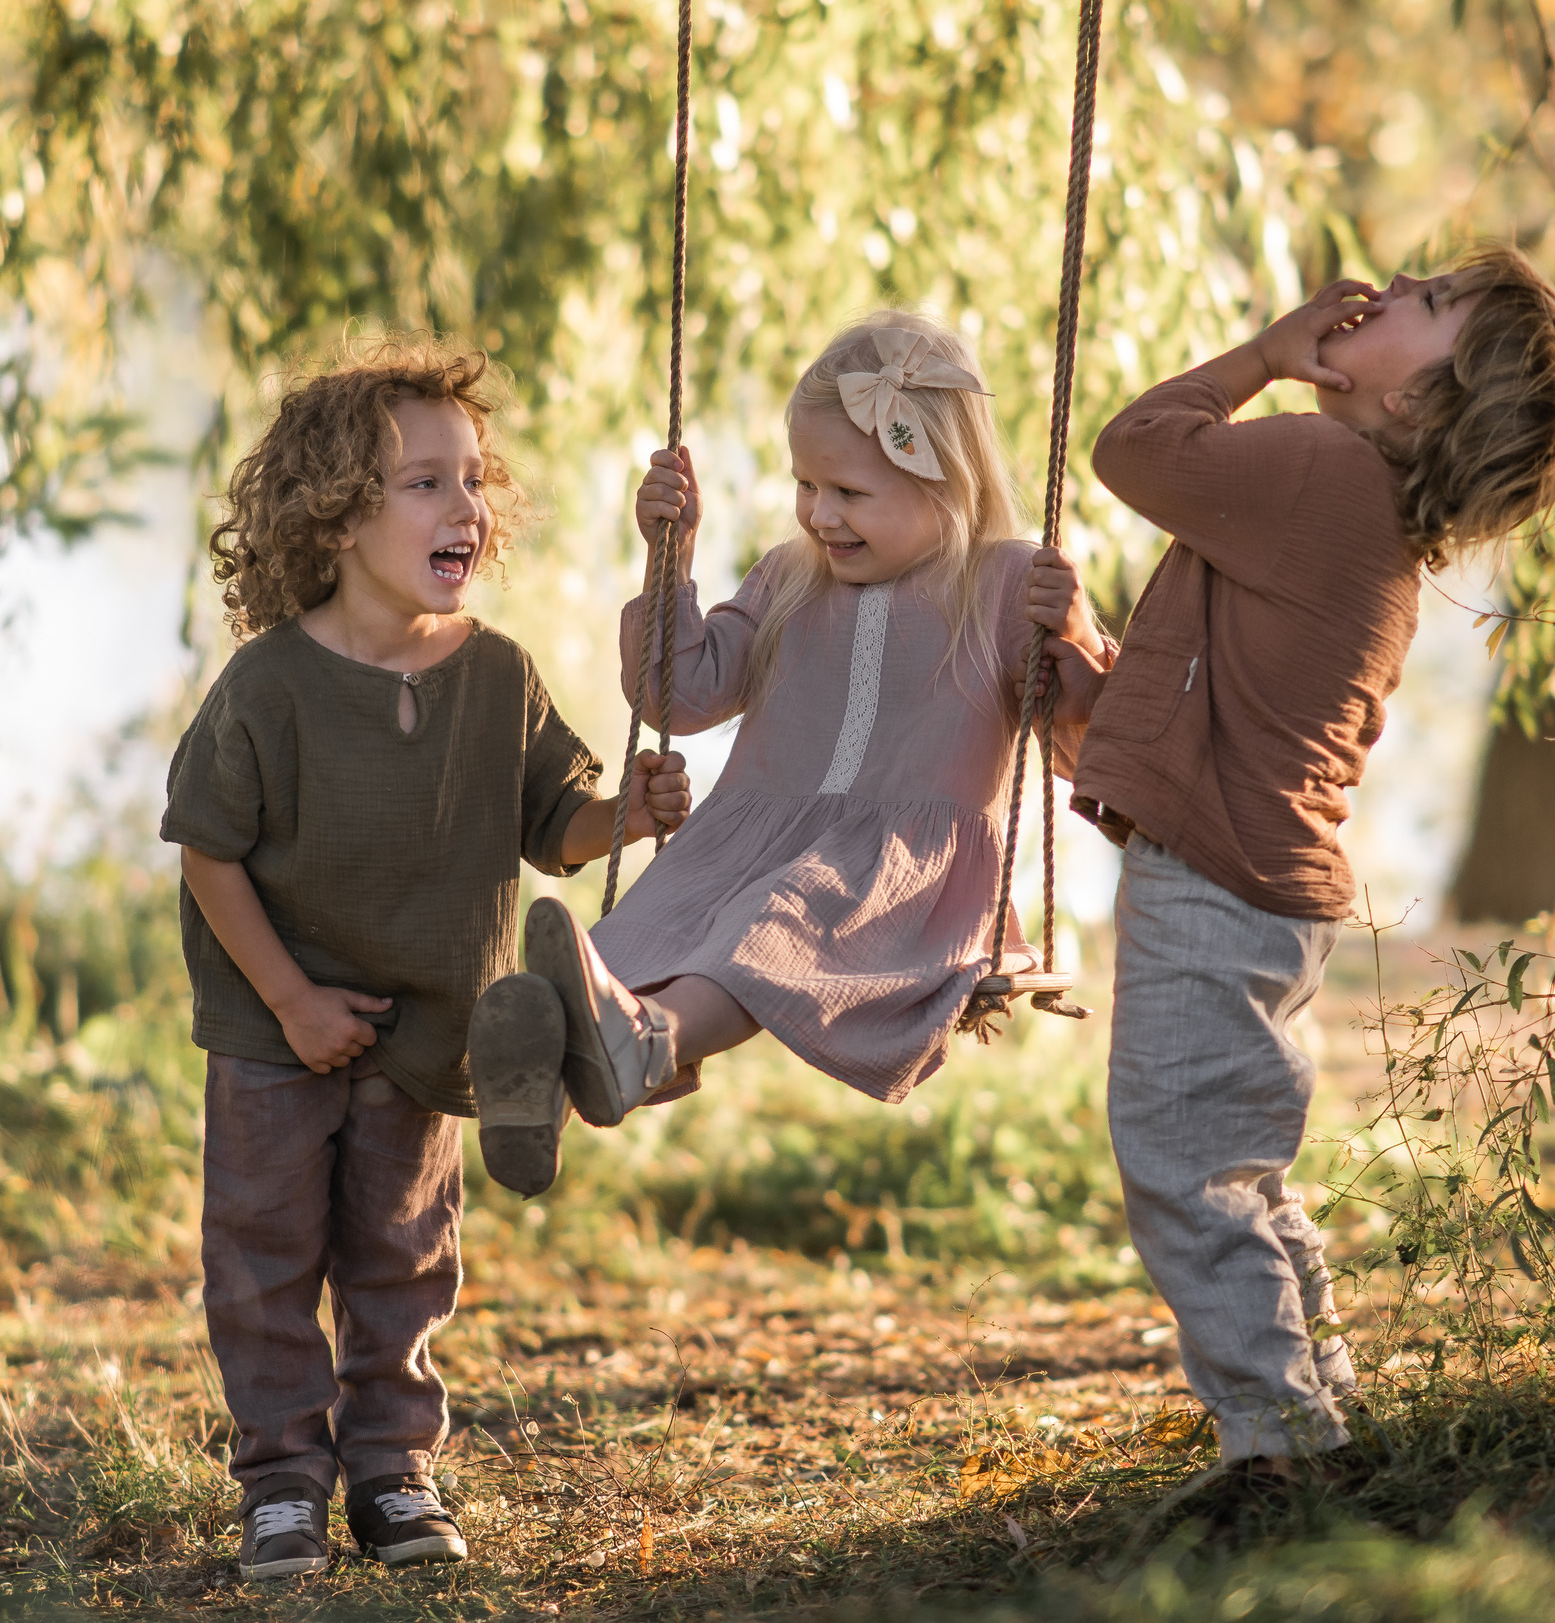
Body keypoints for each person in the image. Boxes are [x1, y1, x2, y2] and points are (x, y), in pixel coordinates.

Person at [1036, 247, 1555, 1471]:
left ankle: (1278, 1449)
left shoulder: (1320, 466)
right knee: (1238, 1165)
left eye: (1428, 303)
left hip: (1220, 882)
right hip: (1261, 890)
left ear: (1416, 402)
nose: (1388, 285)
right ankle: (1320, 1414)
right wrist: (1088, 675)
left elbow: (1132, 447)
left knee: (1184, 1166)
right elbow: (1226, 694)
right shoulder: (1357, 504)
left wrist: (1266, 354)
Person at [161, 338, 691, 1579]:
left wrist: (631, 814)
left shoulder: (496, 673)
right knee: (264, 1257)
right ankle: (284, 1478)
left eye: (472, 480)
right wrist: (289, 999)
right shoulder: (267, 684)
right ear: (337, 516)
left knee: (403, 1256)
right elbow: (207, 850)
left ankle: (394, 1467)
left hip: (427, 1029)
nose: (466, 505)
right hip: (274, 1032)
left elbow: (554, 819)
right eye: (425, 483)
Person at [465, 311, 1106, 1195]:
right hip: (751, 838)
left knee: (774, 922)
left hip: (900, 873)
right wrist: (670, 561)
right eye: (806, 484)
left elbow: (1082, 743)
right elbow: (676, 695)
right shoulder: (788, 576)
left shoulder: (1000, 583)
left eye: (847, 492)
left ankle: (647, 1044)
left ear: (944, 481)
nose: (818, 513)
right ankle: (552, 1080)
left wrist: (1069, 633)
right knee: (635, 938)